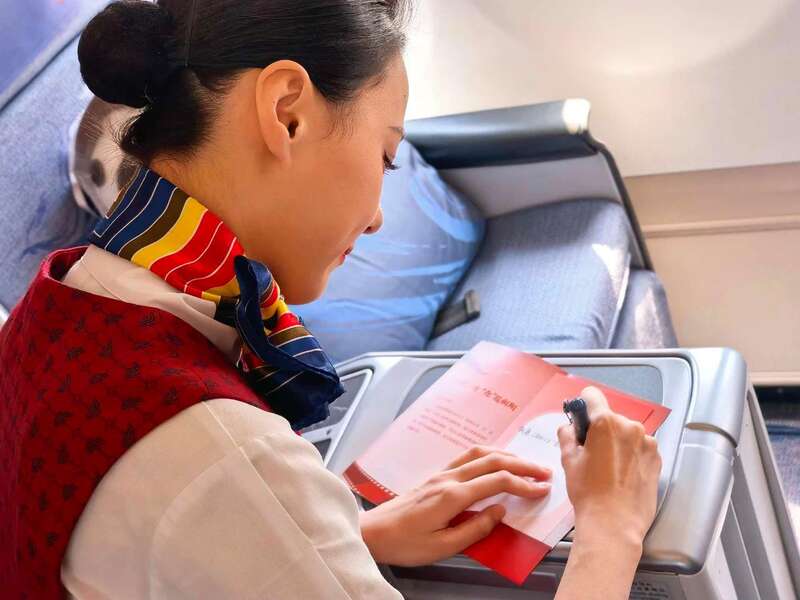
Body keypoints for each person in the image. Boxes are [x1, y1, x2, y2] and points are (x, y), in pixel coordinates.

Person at [0, 1, 661, 598]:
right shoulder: (228, 455)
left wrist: (344, 537)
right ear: (286, 112)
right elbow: (215, 487)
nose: (377, 217)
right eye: (386, 157)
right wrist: (612, 527)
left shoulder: (61, 298)